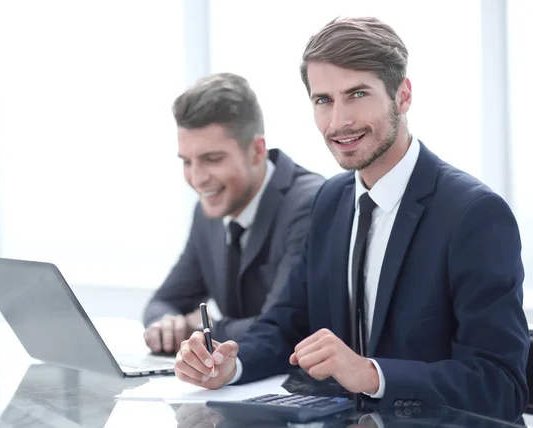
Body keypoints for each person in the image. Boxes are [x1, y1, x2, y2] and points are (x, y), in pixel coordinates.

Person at [173, 17, 529, 421]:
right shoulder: (331, 200)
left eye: (357, 94)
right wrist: (227, 364)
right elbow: (284, 325)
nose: (338, 121)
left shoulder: (473, 214)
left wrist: (372, 374)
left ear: (403, 95)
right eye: (323, 100)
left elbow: (502, 383)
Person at [142, 73, 325, 354]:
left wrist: (201, 327)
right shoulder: (207, 213)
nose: (198, 178)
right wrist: (167, 325)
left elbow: (282, 326)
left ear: (256, 151)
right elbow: (162, 303)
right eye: (187, 162)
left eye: (212, 159)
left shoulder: (309, 203)